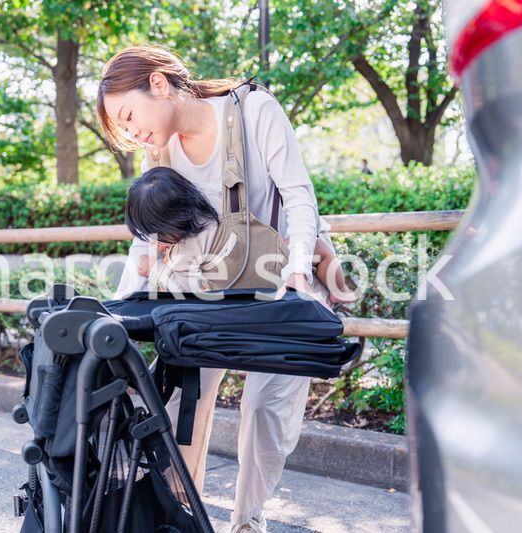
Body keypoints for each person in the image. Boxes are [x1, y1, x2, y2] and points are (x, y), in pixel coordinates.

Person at [96, 44, 345, 533]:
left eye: (129, 115)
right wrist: (123, 307)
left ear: (159, 84)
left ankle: (247, 521)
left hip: (278, 288)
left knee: (263, 410)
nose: (131, 131)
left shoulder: (253, 109)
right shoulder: (160, 150)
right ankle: (179, 516)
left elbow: (298, 195)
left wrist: (299, 272)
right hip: (208, 292)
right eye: (122, 128)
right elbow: (147, 240)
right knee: (179, 401)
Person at [126, 166, 349, 305]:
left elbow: (182, 291)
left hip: (243, 292)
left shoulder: (183, 253)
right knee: (318, 249)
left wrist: (156, 268)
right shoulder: (211, 208)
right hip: (265, 262)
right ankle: (341, 291)